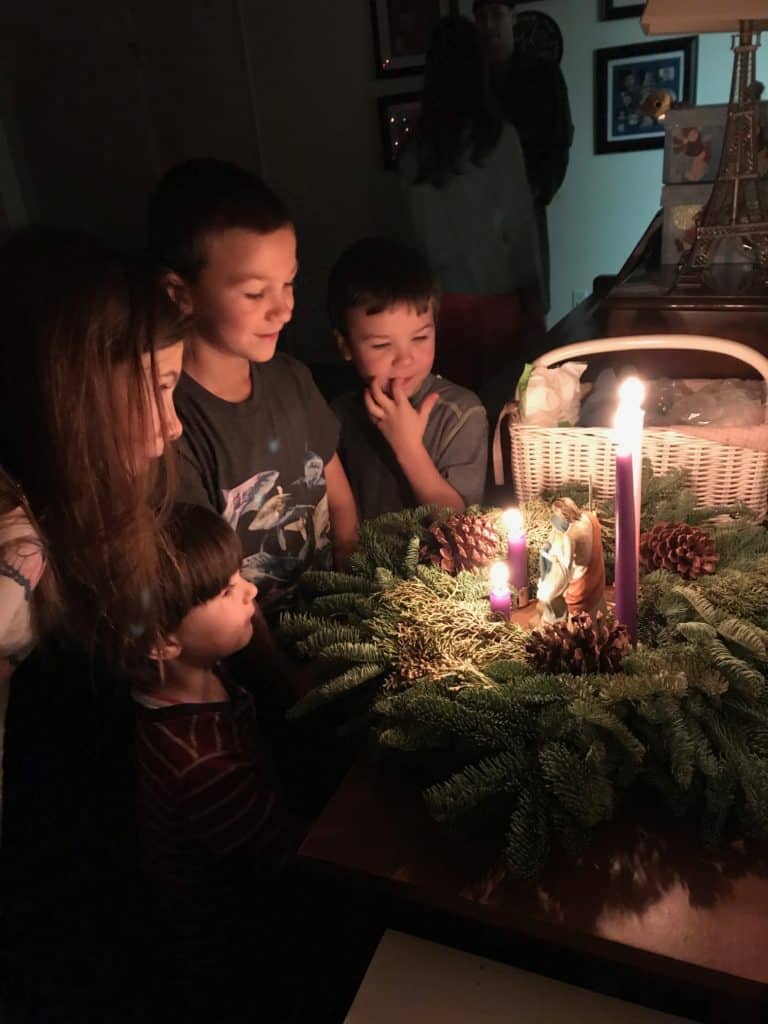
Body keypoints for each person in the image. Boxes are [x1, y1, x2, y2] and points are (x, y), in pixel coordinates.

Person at [0, 227, 188, 1020]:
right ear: (62, 387)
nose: (172, 424)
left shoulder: (83, 516)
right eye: (156, 388)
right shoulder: (15, 568)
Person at [148, 159, 358, 618]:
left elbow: (339, 501)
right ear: (179, 293)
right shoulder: (168, 422)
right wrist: (286, 678)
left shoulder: (291, 378)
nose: (282, 309)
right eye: (254, 293)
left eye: (288, 283)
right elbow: (208, 593)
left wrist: (356, 606)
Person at [399, 15, 544, 410]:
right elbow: (518, 230)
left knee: (452, 416)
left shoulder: (415, 154)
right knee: (506, 414)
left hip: (437, 309)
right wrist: (534, 302)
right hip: (496, 305)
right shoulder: (497, 140)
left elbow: (413, 238)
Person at [328, 237, 488, 521]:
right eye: (381, 345)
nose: (405, 359)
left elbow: (457, 523)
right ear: (345, 346)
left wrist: (408, 448)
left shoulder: (460, 413)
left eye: (420, 338)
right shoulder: (337, 416)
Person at [474, 0, 574, 312]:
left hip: (525, 202)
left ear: (511, 18)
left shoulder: (541, 74)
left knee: (529, 304)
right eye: (481, 16)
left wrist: (538, 190)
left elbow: (559, 137)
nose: (489, 25)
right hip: (475, 210)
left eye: (496, 14)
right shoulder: (471, 81)